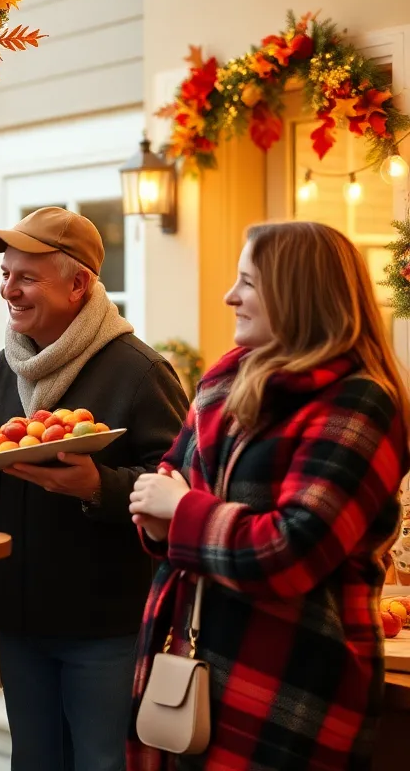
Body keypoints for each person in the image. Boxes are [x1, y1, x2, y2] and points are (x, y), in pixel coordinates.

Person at [127, 222, 410, 770]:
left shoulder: (360, 402)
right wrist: (167, 513)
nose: (230, 296)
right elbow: (155, 491)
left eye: (248, 283)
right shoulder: (224, 381)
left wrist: (182, 511)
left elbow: (291, 551)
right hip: (187, 661)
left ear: (296, 293)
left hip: (288, 686)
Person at [0, 207, 188, 771]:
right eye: (6, 274)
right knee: (33, 761)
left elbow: (179, 486)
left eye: (26, 277)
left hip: (104, 624)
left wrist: (98, 487)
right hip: (19, 618)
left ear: (79, 284)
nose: (9, 289)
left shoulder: (139, 371)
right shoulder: (5, 367)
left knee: (102, 763)